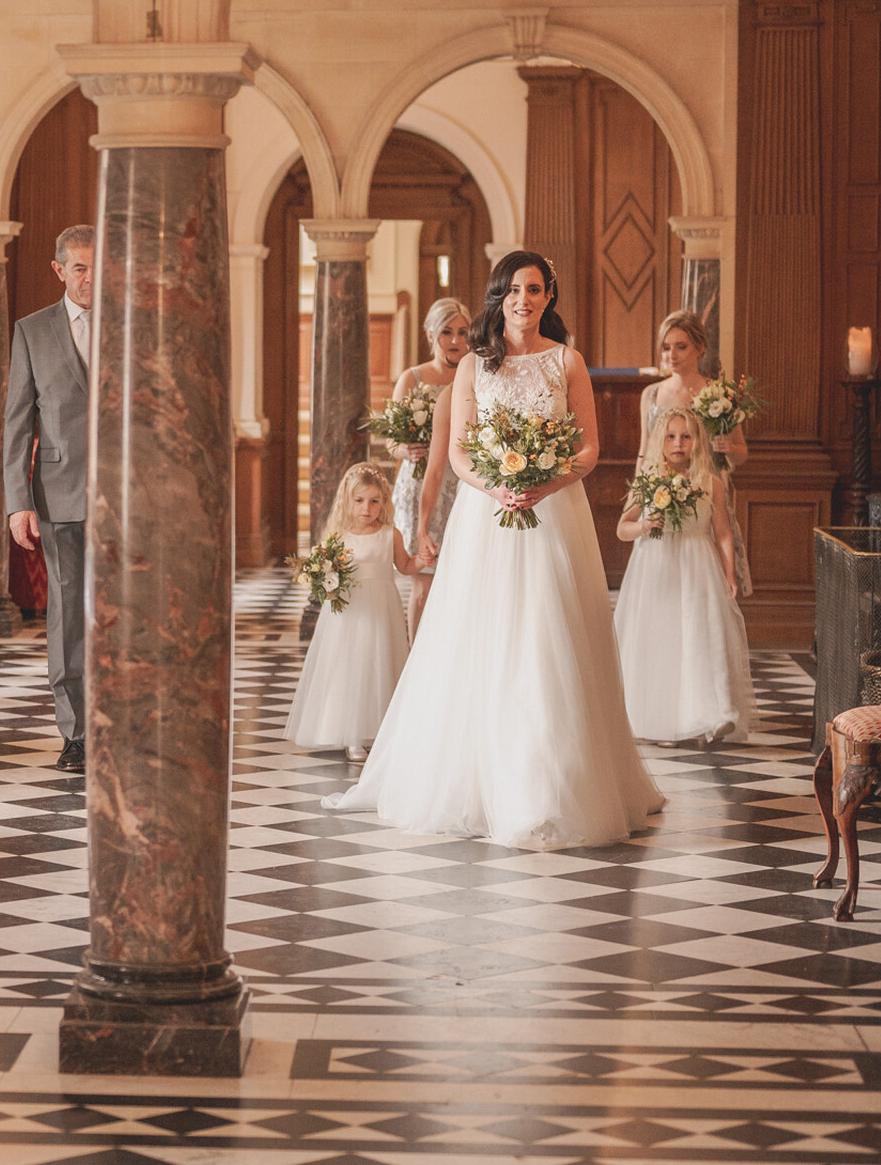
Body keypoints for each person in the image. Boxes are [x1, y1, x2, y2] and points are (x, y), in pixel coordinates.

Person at [323, 251, 664, 848]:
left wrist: (545, 482)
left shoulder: (567, 362)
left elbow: (588, 450)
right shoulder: (474, 367)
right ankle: (474, 778)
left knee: (549, 635)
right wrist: (498, 485)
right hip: (488, 516)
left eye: (533, 289)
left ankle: (553, 784)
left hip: (555, 515)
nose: (522, 300)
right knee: (478, 637)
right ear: (498, 296)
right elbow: (456, 452)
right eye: (511, 290)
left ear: (548, 296)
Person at [4, 225, 95, 772]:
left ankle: (129, 723)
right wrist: (19, 501)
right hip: (59, 494)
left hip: (130, 499)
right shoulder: (32, 332)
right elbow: (17, 424)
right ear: (59, 270)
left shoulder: (135, 326)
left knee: (130, 612)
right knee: (67, 618)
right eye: (79, 267)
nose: (90, 277)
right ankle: (77, 734)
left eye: (98, 265)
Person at [613, 407, 756, 745]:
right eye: (671, 436)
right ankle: (663, 720)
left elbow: (722, 531)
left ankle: (713, 714)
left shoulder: (710, 483)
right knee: (663, 637)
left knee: (701, 636)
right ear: (660, 441)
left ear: (698, 441)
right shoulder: (647, 481)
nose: (678, 444)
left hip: (697, 566)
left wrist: (729, 572)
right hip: (657, 567)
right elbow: (622, 528)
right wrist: (645, 525)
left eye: (686, 436)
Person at [284, 463, 419, 762]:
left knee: (381, 662)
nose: (367, 508)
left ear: (384, 502)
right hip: (350, 613)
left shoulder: (390, 534)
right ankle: (353, 734)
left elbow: (406, 566)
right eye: (359, 501)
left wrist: (422, 559)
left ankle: (384, 730)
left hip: (382, 609)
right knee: (352, 667)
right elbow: (325, 571)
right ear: (348, 500)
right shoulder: (338, 537)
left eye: (374, 501)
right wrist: (323, 581)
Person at [639, 311, 753, 597]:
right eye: (666, 347)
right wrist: (640, 495)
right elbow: (644, 452)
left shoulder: (718, 394)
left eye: (681, 346)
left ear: (699, 348)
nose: (672, 354)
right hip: (662, 493)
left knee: (707, 585)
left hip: (706, 495)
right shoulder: (651, 395)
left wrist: (729, 447)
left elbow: (741, 455)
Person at [384, 297, 469, 637]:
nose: (455, 341)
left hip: (462, 483)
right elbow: (390, 441)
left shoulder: (474, 374)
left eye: (463, 333)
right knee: (422, 582)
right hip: (419, 484)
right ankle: (414, 659)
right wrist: (405, 449)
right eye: (447, 332)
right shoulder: (413, 378)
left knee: (459, 578)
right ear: (430, 334)